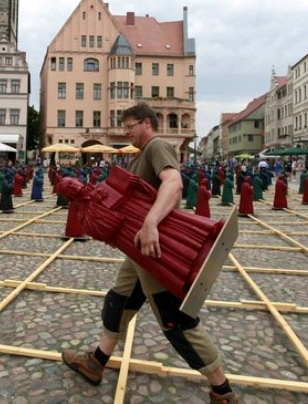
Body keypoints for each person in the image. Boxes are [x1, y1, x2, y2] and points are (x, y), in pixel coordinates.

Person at [61, 102, 239, 404]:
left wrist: (151, 222)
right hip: (137, 250)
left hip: (156, 251)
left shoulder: (157, 146)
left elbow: (174, 183)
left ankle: (221, 390)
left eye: (130, 126)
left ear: (146, 123)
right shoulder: (139, 156)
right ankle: (96, 363)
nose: (126, 132)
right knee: (118, 301)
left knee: (176, 321)